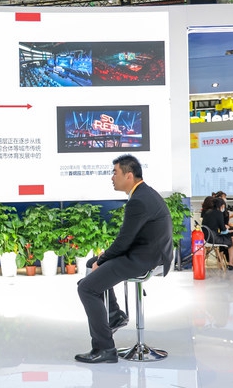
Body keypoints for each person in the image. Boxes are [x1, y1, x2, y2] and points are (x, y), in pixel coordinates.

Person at [75, 154, 173, 364]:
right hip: (149, 253)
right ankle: (114, 314)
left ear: (129, 175)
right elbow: (127, 240)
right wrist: (100, 259)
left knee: (86, 288)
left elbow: (123, 242)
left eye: (115, 172)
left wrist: (102, 260)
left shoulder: (138, 201)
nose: (112, 177)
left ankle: (105, 349)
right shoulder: (145, 194)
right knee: (91, 264)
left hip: (144, 259)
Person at [202, 197, 233, 270]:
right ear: (222, 206)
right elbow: (223, 229)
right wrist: (228, 230)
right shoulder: (218, 213)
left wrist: (227, 231)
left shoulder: (208, 212)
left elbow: (217, 227)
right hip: (214, 238)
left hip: (207, 237)